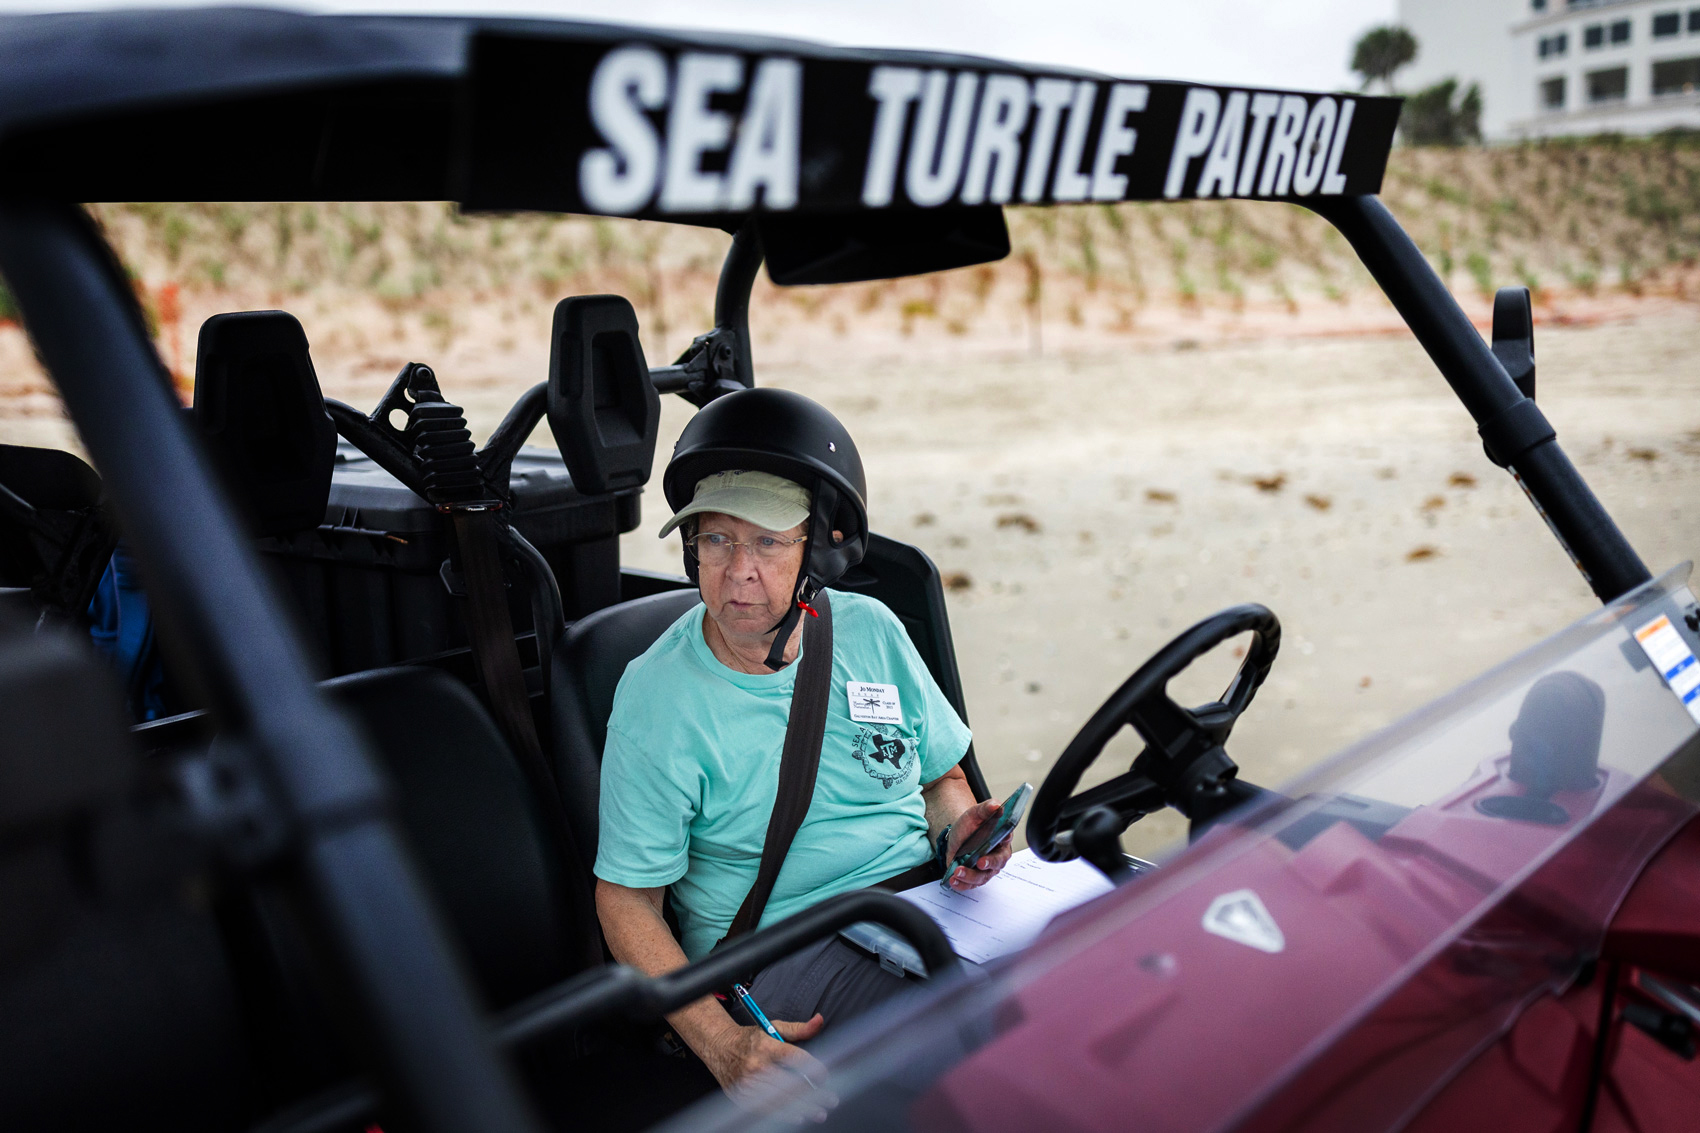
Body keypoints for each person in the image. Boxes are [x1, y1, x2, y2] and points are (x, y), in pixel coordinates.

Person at [593, 388, 1011, 1099]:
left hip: (923, 906)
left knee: (1091, 971)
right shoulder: (656, 696)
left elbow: (940, 780)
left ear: (818, 550)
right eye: (716, 539)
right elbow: (627, 901)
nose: (737, 569)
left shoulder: (872, 630)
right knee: (982, 1051)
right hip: (785, 953)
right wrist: (722, 1044)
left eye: (766, 541)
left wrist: (959, 836)